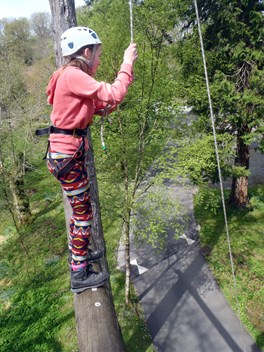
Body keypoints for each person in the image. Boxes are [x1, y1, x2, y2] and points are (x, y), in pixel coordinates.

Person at [42, 26, 137, 293]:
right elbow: (112, 93)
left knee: (81, 209)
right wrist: (126, 65)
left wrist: (109, 102)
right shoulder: (74, 75)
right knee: (84, 215)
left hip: (64, 156)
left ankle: (79, 257)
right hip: (67, 158)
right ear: (86, 52)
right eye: (98, 54)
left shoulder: (68, 76)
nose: (99, 60)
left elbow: (97, 104)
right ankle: (78, 273)